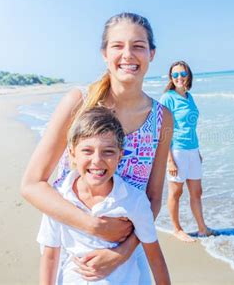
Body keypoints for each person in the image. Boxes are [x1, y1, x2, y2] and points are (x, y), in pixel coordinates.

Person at [21, 12, 173, 282]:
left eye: (138, 46)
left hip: (130, 255)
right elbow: (32, 184)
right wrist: (94, 226)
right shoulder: (79, 102)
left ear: (152, 53)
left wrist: (121, 253)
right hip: (73, 251)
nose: (128, 54)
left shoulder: (162, 118)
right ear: (105, 53)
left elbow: (153, 198)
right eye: (118, 46)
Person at [38, 107, 170, 284]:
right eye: (87, 151)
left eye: (108, 151)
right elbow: (50, 257)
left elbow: (155, 259)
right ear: (72, 154)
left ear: (120, 156)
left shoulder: (134, 200)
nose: (97, 161)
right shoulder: (59, 198)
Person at [159, 61, 212, 242]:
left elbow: (191, 127)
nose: (179, 78)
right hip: (177, 151)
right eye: (175, 75)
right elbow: (163, 131)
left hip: (192, 150)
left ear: (188, 75)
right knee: (176, 192)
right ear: (171, 78)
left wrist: (197, 151)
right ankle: (177, 229)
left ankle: (202, 228)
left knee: (197, 192)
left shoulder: (190, 97)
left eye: (182, 74)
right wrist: (170, 160)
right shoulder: (168, 98)